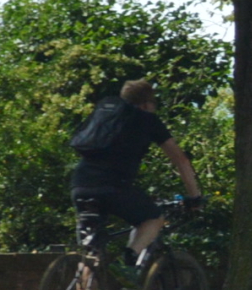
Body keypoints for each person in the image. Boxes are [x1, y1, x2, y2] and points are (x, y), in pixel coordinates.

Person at [68, 77, 202, 266]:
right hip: (112, 187)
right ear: (147, 104)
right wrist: (194, 196)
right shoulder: (147, 119)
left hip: (80, 185)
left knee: (92, 254)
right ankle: (129, 262)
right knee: (154, 218)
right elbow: (180, 159)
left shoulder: (106, 117)